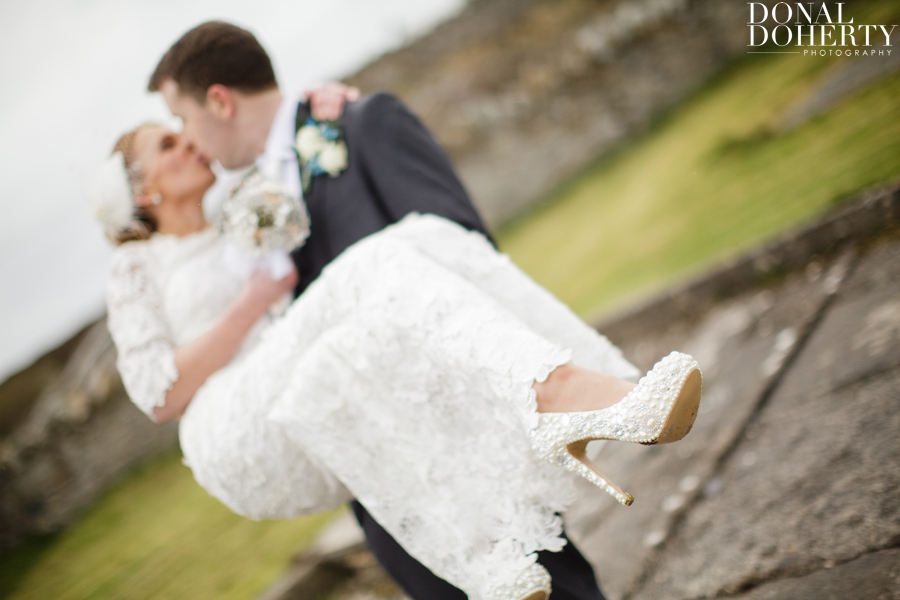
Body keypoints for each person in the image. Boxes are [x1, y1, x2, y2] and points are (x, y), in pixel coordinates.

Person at [113, 21, 702, 600]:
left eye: (179, 119)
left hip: (447, 412)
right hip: (345, 437)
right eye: (168, 135)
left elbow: (460, 248)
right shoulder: (230, 213)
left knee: (553, 586)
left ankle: (562, 394)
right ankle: (571, 396)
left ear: (218, 100)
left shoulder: (359, 122)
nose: (184, 136)